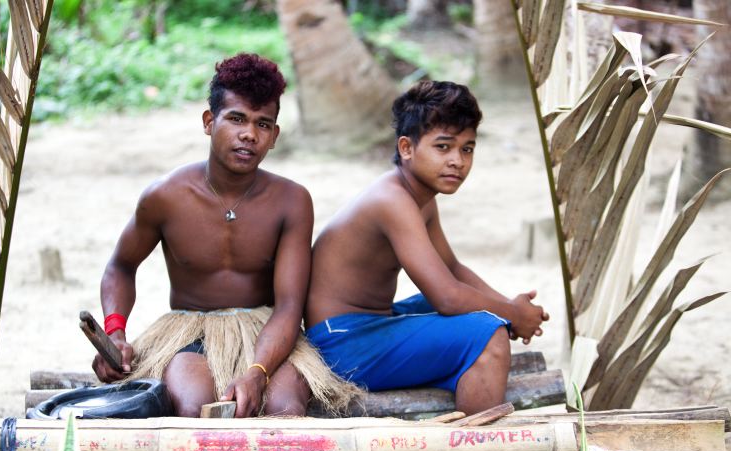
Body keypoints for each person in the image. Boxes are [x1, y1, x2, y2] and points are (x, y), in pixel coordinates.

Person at [92, 53, 358, 418]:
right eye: (236, 119)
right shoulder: (165, 196)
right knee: (192, 407)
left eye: (263, 124)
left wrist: (257, 373)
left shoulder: (291, 201)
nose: (249, 134)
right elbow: (120, 267)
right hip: (188, 329)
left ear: (275, 136)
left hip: (267, 332)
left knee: (285, 408)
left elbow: (289, 306)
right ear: (208, 122)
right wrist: (115, 333)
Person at [305, 80, 549, 415]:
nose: (457, 161)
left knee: (480, 314)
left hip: (369, 326)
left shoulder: (420, 199)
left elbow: (453, 269)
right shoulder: (391, 200)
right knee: (487, 331)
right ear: (406, 148)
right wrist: (510, 316)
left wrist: (509, 306)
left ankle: (467, 388)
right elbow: (447, 297)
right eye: (443, 147)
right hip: (341, 344)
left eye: (467, 149)